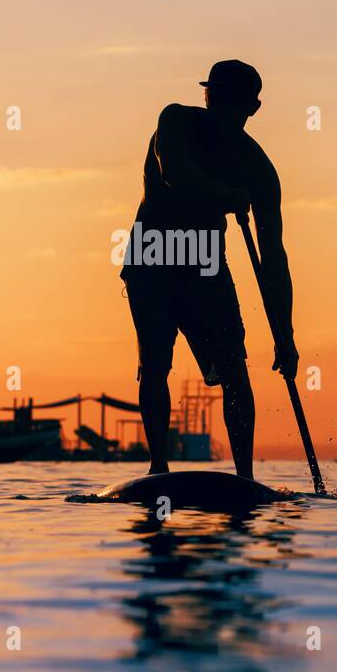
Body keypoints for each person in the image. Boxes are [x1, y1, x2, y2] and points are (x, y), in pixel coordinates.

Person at [120, 59, 297, 479]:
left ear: (252, 109)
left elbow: (273, 257)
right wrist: (225, 194)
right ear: (206, 96)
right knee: (156, 362)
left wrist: (285, 336)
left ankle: (244, 477)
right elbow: (173, 172)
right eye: (215, 97)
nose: (220, 108)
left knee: (235, 366)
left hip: (204, 259)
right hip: (153, 252)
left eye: (232, 102)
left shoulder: (258, 170)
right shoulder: (175, 121)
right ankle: (158, 467)